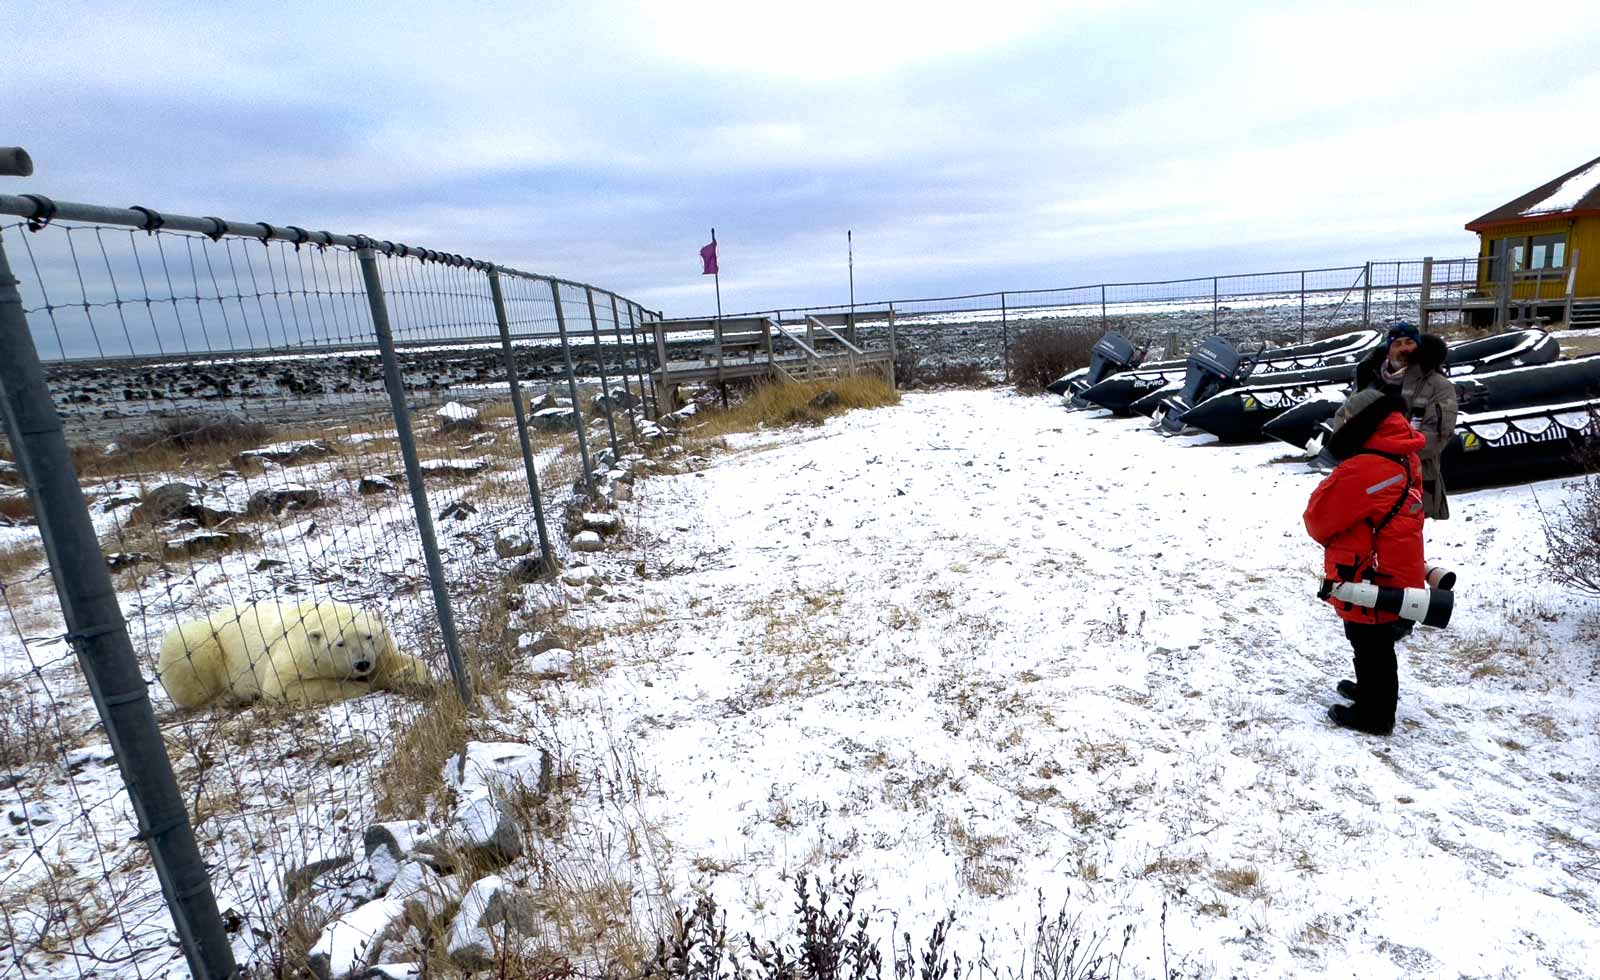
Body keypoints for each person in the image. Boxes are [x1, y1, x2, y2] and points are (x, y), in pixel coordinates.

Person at [1303, 388, 1427, 736]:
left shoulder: (1364, 469)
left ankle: (1376, 714)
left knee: (1369, 640)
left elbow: (1318, 519)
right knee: (1374, 640)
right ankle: (1371, 691)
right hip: (1394, 563)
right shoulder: (1403, 457)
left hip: (1369, 570)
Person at [1353, 322, 1457, 519]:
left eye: (1409, 342)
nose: (1404, 348)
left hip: (1415, 483)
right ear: (1388, 349)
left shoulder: (1438, 385)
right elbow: (1349, 421)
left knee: (1404, 535)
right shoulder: (1369, 380)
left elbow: (1435, 438)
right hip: (1369, 481)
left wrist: (1380, 453)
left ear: (1418, 346)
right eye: (1397, 343)